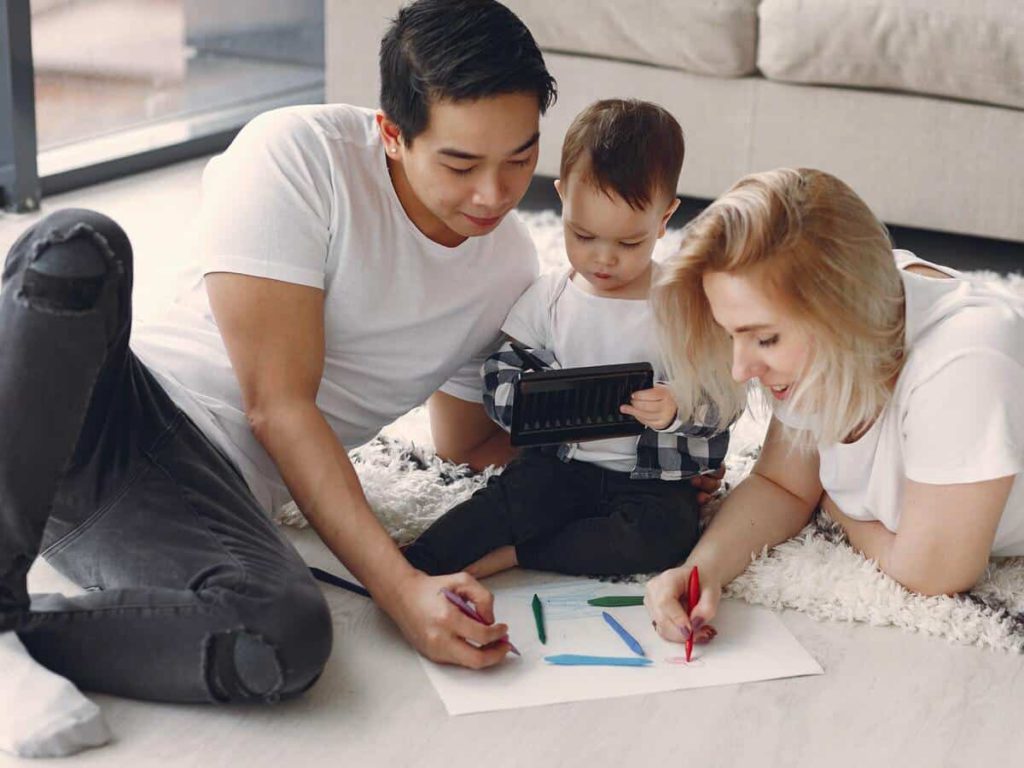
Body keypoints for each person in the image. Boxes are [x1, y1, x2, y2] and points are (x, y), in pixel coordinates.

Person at [0, 0, 560, 757]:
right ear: (392, 134)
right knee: (75, 246)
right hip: (113, 407)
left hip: (198, 505)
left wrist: (623, 467)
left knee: (285, 634)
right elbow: (277, 406)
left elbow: (464, 443)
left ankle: (18, 636)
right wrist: (399, 591)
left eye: (520, 158)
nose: (494, 195)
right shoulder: (302, 152)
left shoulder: (510, 269)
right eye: (461, 164)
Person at [643, 167, 1024, 648]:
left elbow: (935, 571)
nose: (741, 370)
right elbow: (782, 484)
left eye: (765, 338)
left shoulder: (965, 361)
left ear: (841, 315)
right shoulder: (821, 330)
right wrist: (700, 571)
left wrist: (838, 509)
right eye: (731, 333)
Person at [404, 99, 732, 579]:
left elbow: (727, 397)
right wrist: (540, 400)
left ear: (666, 218)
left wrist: (678, 405)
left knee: (664, 539)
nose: (603, 259)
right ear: (561, 198)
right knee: (506, 502)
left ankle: (520, 556)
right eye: (582, 234)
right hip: (559, 466)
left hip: (650, 481)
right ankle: (416, 565)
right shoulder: (550, 297)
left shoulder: (686, 307)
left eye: (629, 243)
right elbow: (499, 377)